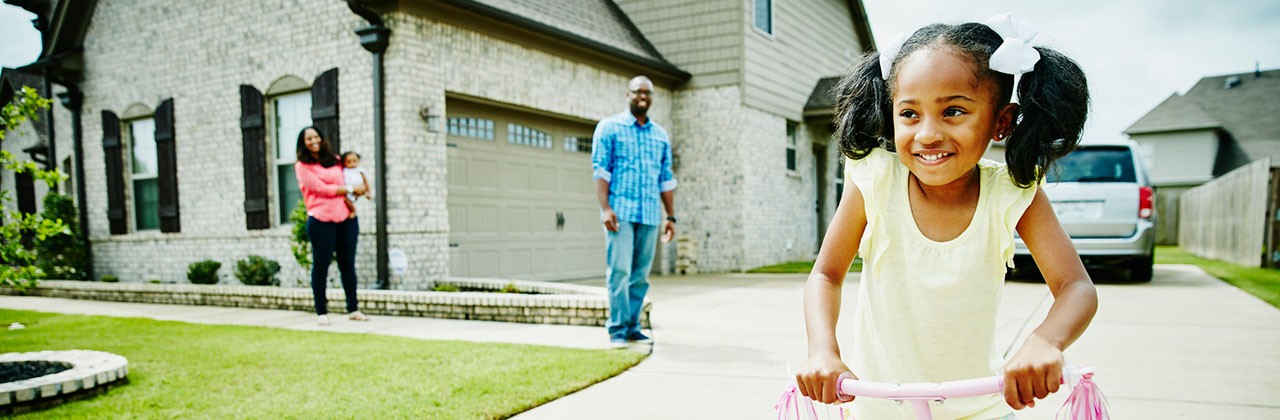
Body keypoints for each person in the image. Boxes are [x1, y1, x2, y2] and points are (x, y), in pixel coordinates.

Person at [795, 14, 1098, 419]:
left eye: (953, 111)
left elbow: (1075, 286)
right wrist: (822, 350)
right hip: (878, 405)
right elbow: (826, 275)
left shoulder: (1011, 192)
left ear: (1001, 122)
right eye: (909, 114)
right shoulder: (875, 181)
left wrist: (1045, 341)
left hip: (978, 406)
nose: (928, 134)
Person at [591, 75, 677, 348]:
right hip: (621, 213)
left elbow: (665, 179)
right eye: (637, 92)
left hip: (650, 214)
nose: (643, 96)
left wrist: (671, 216)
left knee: (640, 276)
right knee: (619, 272)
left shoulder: (660, 135)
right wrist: (605, 209)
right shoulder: (609, 128)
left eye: (647, 93)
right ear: (627, 95)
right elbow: (601, 171)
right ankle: (616, 330)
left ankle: (632, 326)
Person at [294, 127, 370, 325]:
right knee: (321, 266)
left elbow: (350, 176)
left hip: (346, 219)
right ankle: (321, 311)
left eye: (316, 136)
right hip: (320, 221)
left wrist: (358, 192)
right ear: (303, 143)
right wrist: (352, 188)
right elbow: (321, 189)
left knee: (348, 265)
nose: (313, 141)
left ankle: (353, 308)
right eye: (308, 138)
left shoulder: (335, 160)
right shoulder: (302, 166)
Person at [341, 151, 371, 220]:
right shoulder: (344, 170)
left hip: (360, 188)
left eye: (354, 161)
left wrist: (368, 192)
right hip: (348, 190)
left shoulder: (360, 170)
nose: (352, 164)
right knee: (345, 199)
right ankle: (353, 210)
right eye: (349, 162)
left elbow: (366, 182)